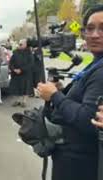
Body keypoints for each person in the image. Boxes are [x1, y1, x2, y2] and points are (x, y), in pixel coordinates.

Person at [37, 5, 103, 180]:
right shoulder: (95, 63)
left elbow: (89, 120)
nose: (95, 35)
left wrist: (55, 96)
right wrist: (61, 92)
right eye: (90, 28)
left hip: (80, 167)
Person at [9, 39, 34, 108]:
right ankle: (17, 101)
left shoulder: (29, 53)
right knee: (16, 88)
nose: (19, 46)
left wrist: (21, 70)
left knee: (25, 88)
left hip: (25, 74)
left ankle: (24, 101)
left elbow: (30, 64)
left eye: (21, 44)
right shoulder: (15, 52)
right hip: (15, 74)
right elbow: (11, 63)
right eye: (19, 44)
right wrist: (13, 69)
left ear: (25, 45)